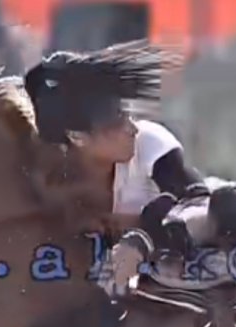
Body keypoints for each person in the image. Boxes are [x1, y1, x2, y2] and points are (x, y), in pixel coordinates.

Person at [23, 41, 205, 288]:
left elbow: (197, 200)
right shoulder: (47, 177)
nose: (132, 128)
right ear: (77, 137)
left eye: (127, 114)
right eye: (117, 121)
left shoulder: (149, 142)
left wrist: (141, 240)